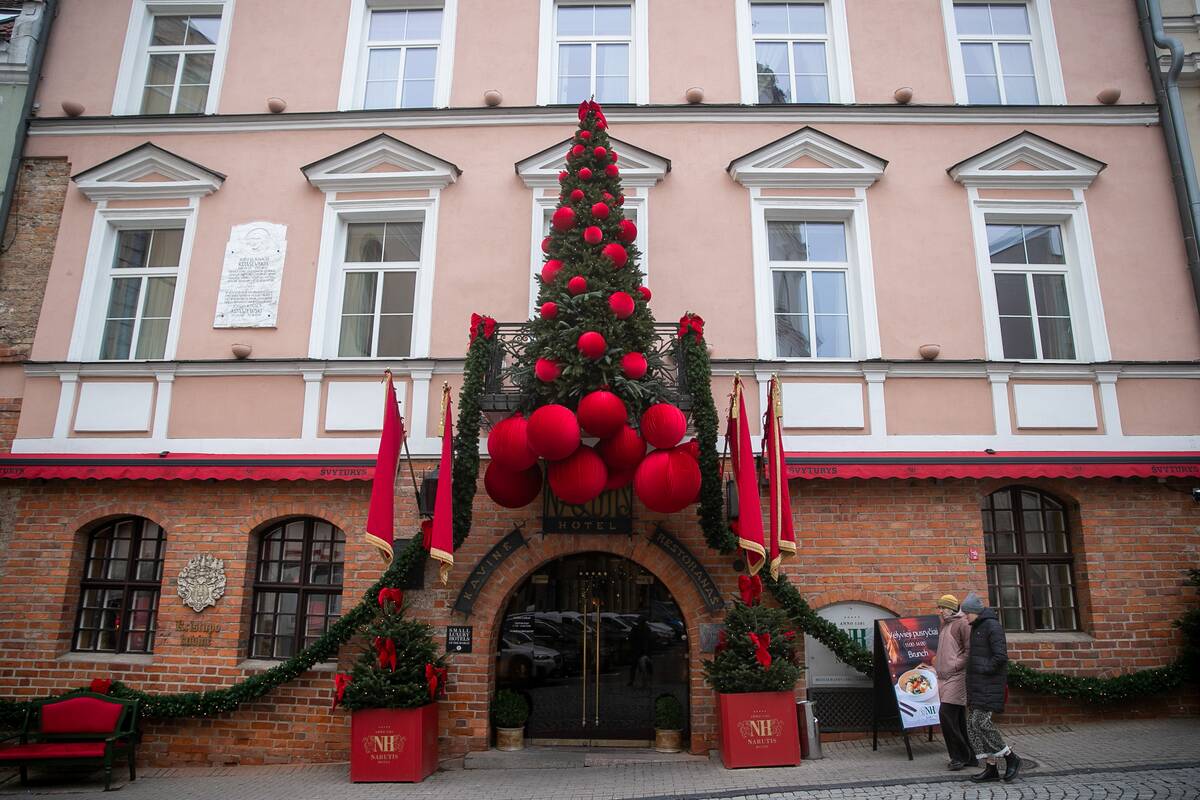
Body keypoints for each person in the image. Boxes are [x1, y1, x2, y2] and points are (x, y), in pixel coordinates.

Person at [961, 592, 1022, 783]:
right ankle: (991, 767)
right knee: (972, 725)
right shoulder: (977, 627)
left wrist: (982, 669)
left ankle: (1011, 757)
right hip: (978, 685)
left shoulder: (992, 626)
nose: (965, 616)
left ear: (975, 611)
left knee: (981, 723)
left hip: (988, 685)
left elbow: (1000, 656)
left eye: (967, 613)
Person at [933, 594, 974, 771]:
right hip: (944, 677)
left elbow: (970, 650)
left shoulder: (962, 623)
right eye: (939, 607)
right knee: (957, 719)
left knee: (946, 715)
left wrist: (956, 665)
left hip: (956, 677)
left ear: (951, 608)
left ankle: (958, 756)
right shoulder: (945, 624)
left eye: (943, 607)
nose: (940, 611)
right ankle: (970, 756)